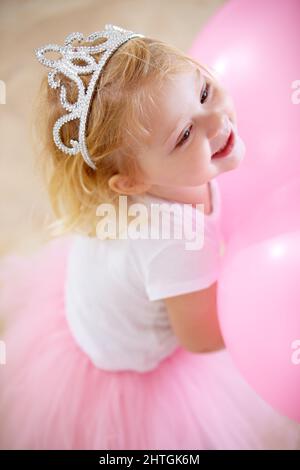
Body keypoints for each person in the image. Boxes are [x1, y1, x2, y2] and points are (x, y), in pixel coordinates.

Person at [0, 24, 299, 450]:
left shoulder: (172, 177)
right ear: (132, 183)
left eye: (203, 92)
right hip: (129, 360)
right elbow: (203, 337)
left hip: (113, 288)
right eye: (183, 136)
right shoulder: (173, 243)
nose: (217, 121)